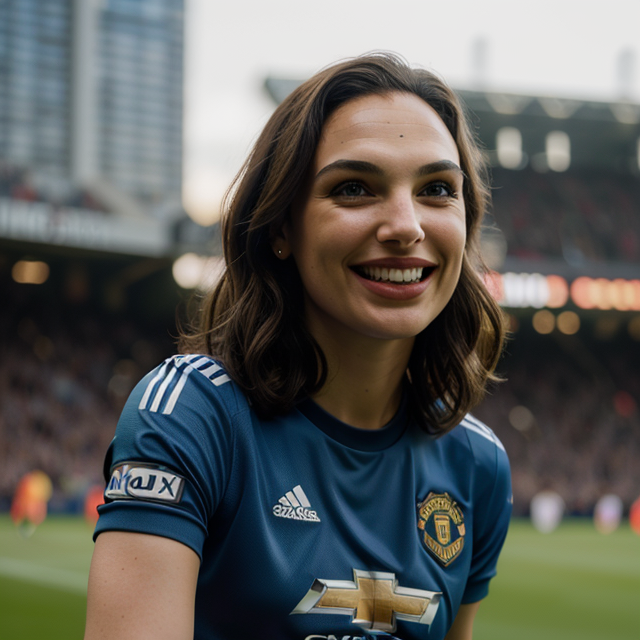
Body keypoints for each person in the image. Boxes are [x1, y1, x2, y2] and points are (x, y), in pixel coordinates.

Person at [84, 52, 511, 640]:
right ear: (282, 227)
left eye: (438, 188)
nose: (406, 225)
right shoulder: (191, 414)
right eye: (356, 188)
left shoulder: (478, 466)